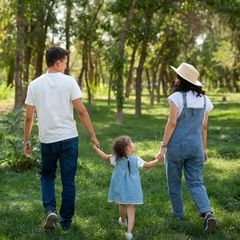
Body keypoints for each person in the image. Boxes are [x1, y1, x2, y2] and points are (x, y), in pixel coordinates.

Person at [23, 46, 100, 231]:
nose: (66, 66)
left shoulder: (34, 84)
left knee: (47, 176)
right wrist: (93, 135)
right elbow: (81, 111)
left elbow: (28, 117)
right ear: (58, 63)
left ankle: (50, 209)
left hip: (47, 140)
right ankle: (66, 222)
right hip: (68, 139)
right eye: (65, 63)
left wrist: (26, 142)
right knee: (68, 181)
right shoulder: (69, 82)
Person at [157, 62, 216, 233]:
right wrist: (204, 149)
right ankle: (207, 214)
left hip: (176, 147)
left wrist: (163, 147)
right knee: (196, 182)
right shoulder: (205, 100)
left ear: (181, 79)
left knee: (174, 182)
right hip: (196, 147)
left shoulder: (176, 98)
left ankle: (178, 215)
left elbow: (172, 123)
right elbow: (204, 127)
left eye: (177, 76)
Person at [93, 135, 162, 240]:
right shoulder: (136, 159)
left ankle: (123, 221)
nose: (134, 144)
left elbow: (104, 156)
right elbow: (148, 164)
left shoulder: (116, 158)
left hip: (120, 187)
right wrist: (158, 160)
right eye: (132, 142)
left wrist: (96, 149)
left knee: (122, 204)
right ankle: (129, 233)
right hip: (133, 188)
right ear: (128, 148)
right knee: (131, 209)